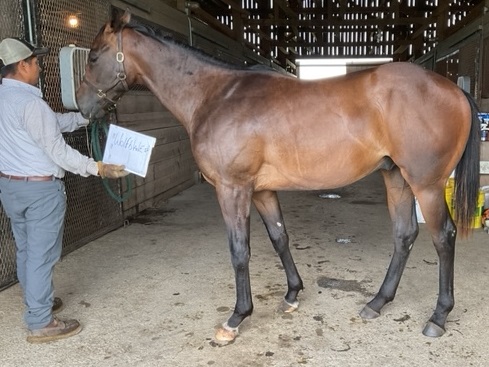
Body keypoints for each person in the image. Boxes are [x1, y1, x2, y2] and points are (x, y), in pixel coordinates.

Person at [0, 37, 128, 343]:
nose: (39, 66)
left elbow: (51, 123)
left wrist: (85, 118)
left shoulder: (6, 99)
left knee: (27, 250)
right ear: (22, 65)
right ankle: (41, 321)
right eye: (35, 62)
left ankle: (35, 300)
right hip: (40, 192)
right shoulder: (31, 103)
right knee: (42, 256)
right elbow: (58, 152)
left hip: (11, 187)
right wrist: (97, 167)